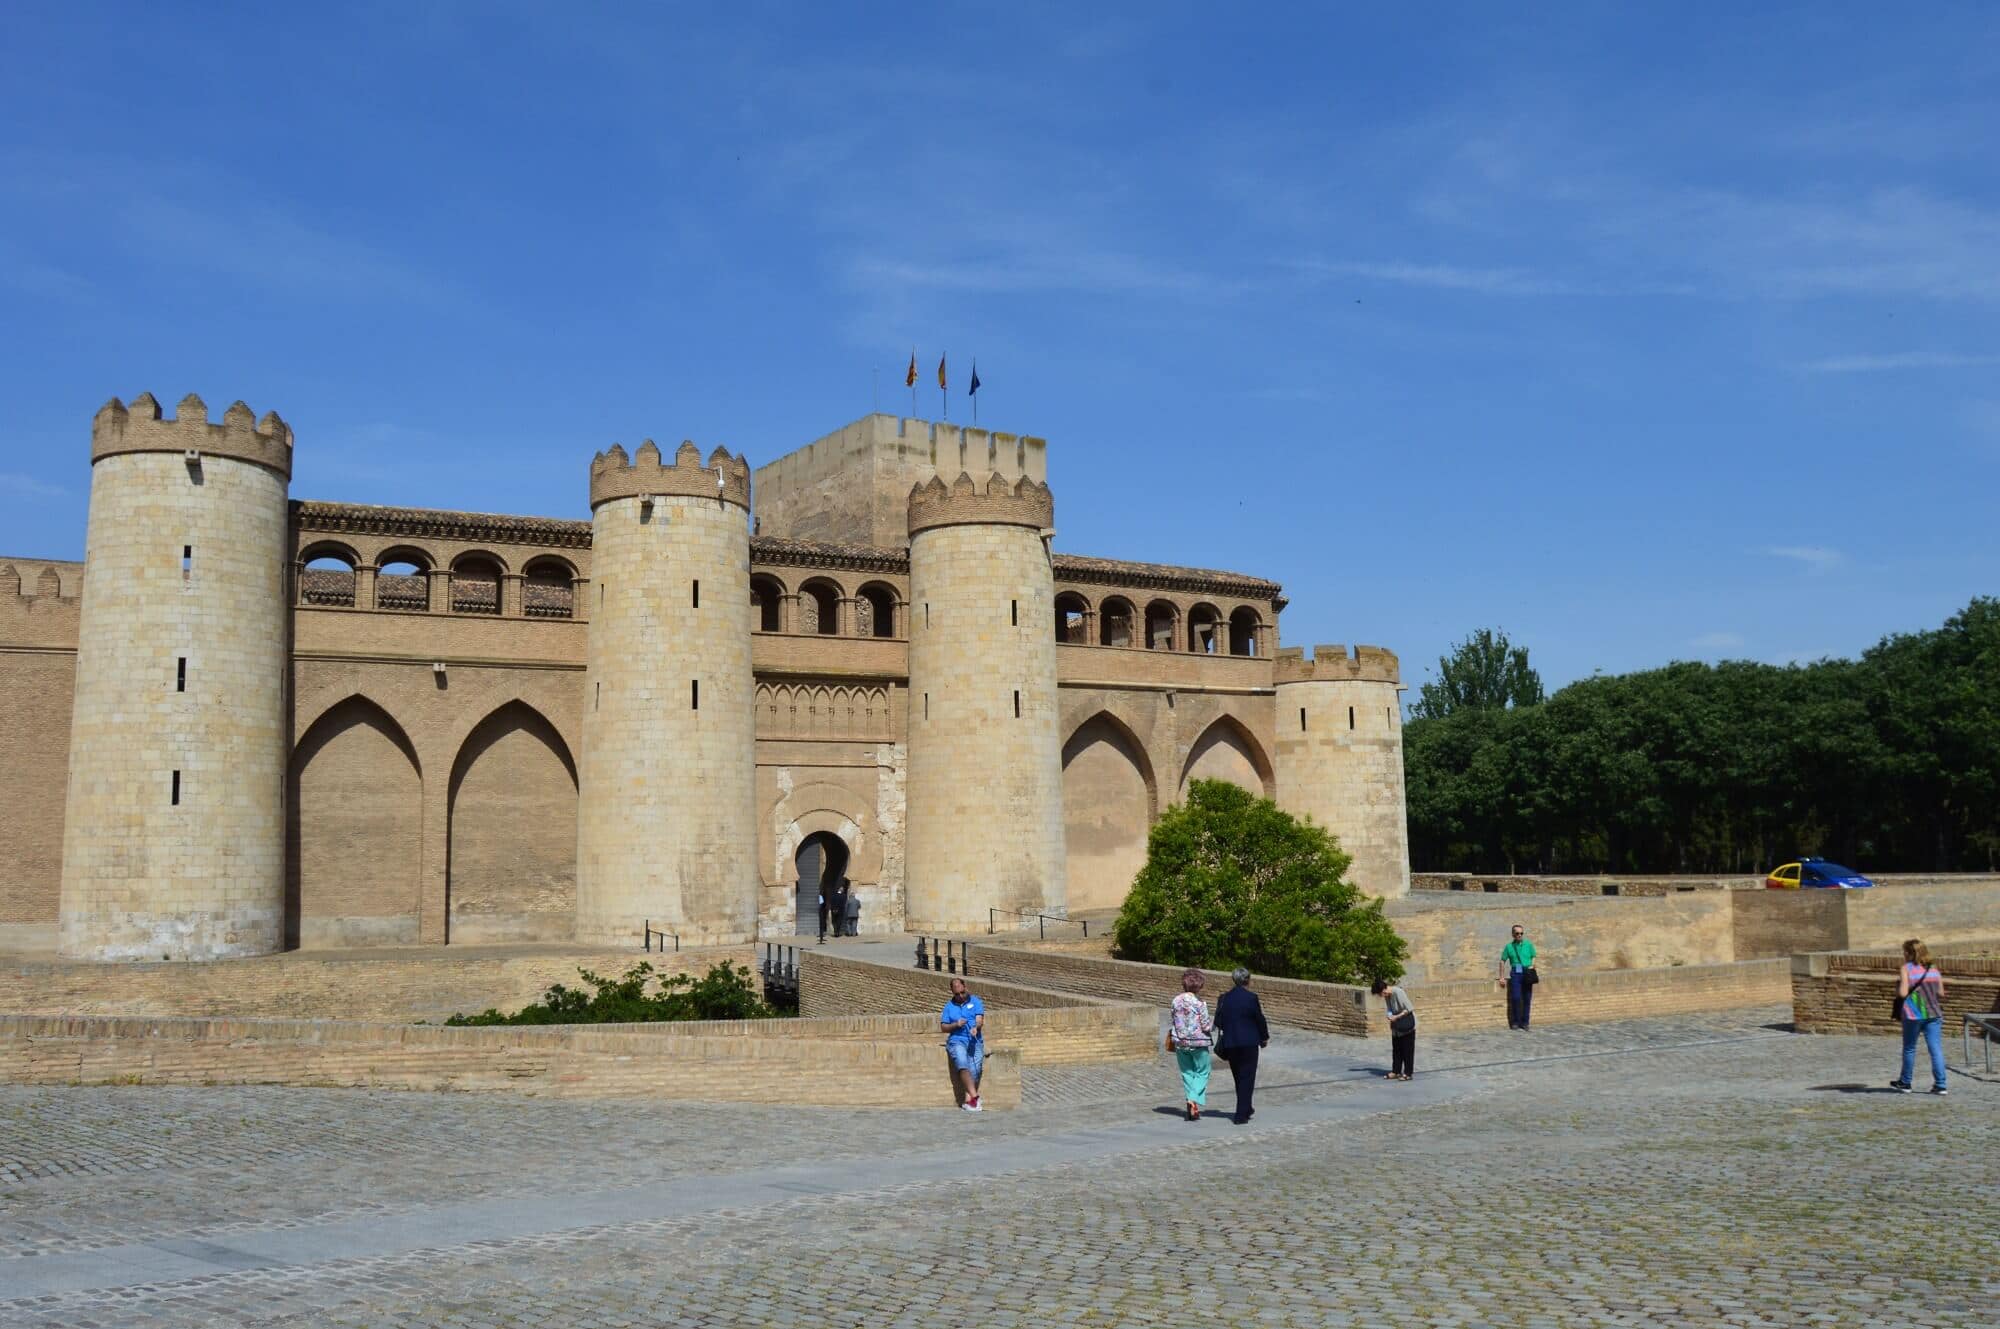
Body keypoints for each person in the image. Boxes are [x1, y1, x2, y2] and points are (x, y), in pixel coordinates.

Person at [1891, 938, 1948, 1096]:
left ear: (1910, 953)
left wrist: (1898, 987)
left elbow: (1902, 993)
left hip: (1913, 1014)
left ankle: (1905, 1082)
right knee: (1935, 1049)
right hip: (1933, 1013)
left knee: (1909, 1048)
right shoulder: (1934, 969)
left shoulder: (1906, 969)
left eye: (1904, 951)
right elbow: (1941, 993)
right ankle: (1941, 1084)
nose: (1903, 954)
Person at [1214, 967, 1270, 1124]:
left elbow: (1218, 1022)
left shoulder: (1224, 998)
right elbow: (1259, 1019)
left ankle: (1247, 1107)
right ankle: (1241, 1114)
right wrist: (1264, 1037)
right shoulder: (1251, 998)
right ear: (1248, 980)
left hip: (1231, 1042)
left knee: (1239, 1077)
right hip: (1249, 1043)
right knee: (1247, 1077)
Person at [1166, 968, 1215, 1121]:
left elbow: (1174, 1020)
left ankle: (1192, 1106)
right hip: (1198, 1042)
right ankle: (1192, 1099)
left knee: (1187, 1073)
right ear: (1199, 986)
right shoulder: (1200, 1003)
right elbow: (1206, 1026)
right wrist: (1214, 1027)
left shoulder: (1175, 1000)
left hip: (1180, 1041)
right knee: (1203, 1070)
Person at [941, 976, 986, 1111]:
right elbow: (943, 1027)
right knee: (962, 1063)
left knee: (975, 1071)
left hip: (974, 1040)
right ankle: (975, 1096)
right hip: (957, 1040)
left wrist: (975, 1028)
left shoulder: (976, 1001)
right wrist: (956, 1024)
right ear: (952, 993)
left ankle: (969, 1102)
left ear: (965, 987)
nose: (960, 996)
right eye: (957, 994)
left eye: (962, 992)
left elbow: (979, 1020)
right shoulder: (949, 1007)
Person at [1372, 978, 1417, 1080]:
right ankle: (1396, 1071)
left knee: (1407, 1049)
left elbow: (1409, 1008)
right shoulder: (1387, 996)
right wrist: (1389, 1015)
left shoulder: (1398, 992)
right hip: (1396, 1026)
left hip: (1406, 1024)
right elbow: (1389, 1008)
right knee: (1396, 1049)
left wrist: (1397, 1016)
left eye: (1380, 994)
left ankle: (1408, 1073)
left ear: (1383, 990)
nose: (1380, 996)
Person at [1499, 924, 1537, 1029]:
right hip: (1516, 972)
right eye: (1517, 933)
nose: (1519, 935)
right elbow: (1502, 961)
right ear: (1513, 934)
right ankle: (1515, 1021)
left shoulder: (1528, 944)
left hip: (1527, 972)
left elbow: (1533, 956)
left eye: (1521, 933)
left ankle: (1525, 1022)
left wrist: (1532, 965)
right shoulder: (1509, 947)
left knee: (1527, 998)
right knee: (1516, 998)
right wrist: (1501, 977)